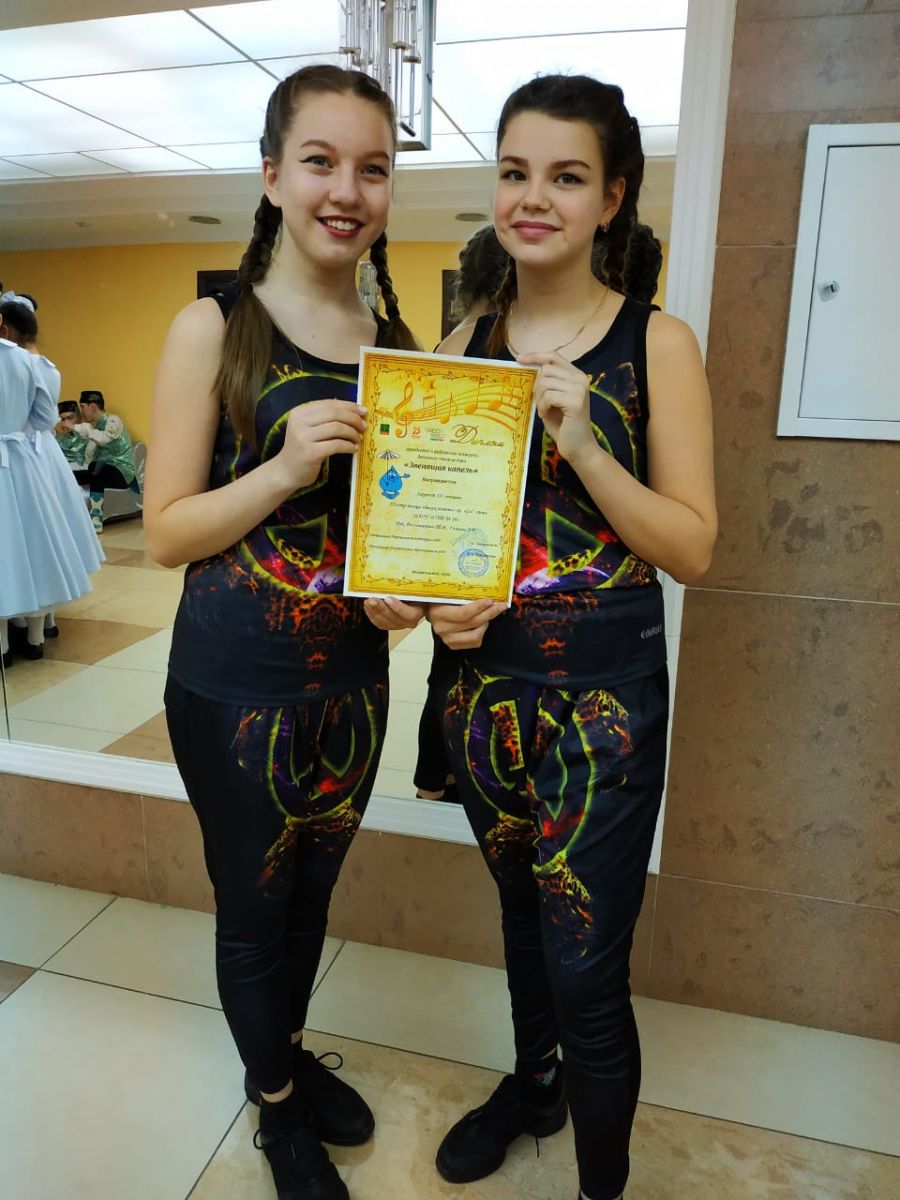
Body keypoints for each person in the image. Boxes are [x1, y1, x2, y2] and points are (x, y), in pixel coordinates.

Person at [427, 75, 717, 1200]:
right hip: (485, 695)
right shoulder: (460, 343)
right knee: (520, 917)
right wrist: (440, 605)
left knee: (587, 960)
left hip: (605, 706)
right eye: (514, 172)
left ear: (612, 198)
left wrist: (588, 445)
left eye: (565, 176)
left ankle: (601, 1187)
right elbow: (440, 534)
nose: (533, 198)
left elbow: (691, 548)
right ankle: (533, 1085)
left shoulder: (657, 342)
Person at [144, 65, 423, 1200]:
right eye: (320, 161)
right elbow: (167, 531)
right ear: (272, 177)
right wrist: (282, 467)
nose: (346, 190)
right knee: (256, 909)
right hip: (234, 686)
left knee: (312, 901)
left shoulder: (397, 341)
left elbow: (397, 527)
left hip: (352, 683)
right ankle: (273, 1107)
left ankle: (288, 1054)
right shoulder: (212, 327)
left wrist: (405, 599)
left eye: (373, 168)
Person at [0, 296, 103, 666]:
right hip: (28, 457)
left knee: (8, 549)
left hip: (17, 452)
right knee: (35, 541)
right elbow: (45, 417)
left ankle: (4, 642)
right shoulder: (35, 364)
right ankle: (37, 632)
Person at [69, 389, 136, 531]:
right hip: (100, 472)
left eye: (83, 407)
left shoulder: (114, 421)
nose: (81, 412)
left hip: (121, 472)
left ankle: (96, 519)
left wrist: (78, 427)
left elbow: (103, 439)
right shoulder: (95, 428)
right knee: (70, 475)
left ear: (93, 406)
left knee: (96, 468)